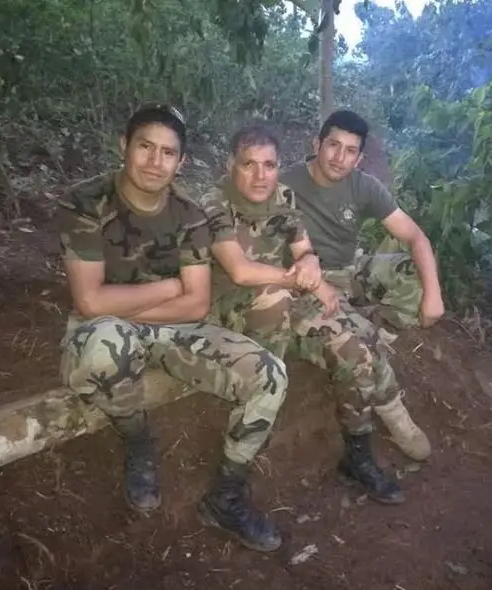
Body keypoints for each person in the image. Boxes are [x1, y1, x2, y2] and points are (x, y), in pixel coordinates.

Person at [54, 103, 287, 553]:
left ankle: (226, 496)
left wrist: (115, 307)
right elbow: (88, 300)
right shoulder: (87, 201)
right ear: (124, 146)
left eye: (167, 153)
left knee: (270, 374)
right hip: (104, 329)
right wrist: (166, 287)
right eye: (145, 147)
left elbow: (197, 302)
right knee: (105, 346)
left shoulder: (190, 214)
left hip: (175, 329)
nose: (154, 162)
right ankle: (136, 437)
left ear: (180, 162)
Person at [197, 123, 431, 505]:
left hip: (285, 300)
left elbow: (303, 247)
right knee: (274, 296)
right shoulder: (214, 202)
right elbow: (239, 270)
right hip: (231, 307)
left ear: (278, 166)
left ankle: (357, 452)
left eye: (269, 165)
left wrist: (309, 265)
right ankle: (255, 415)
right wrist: (302, 281)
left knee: (354, 346)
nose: (261, 176)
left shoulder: (284, 196)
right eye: (249, 164)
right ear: (230, 165)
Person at [281, 109, 446, 332]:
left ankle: (374, 319)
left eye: (350, 151)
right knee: (351, 342)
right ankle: (353, 325)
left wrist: (434, 297)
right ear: (317, 145)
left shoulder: (365, 187)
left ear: (358, 159)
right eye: (333, 145)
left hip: (350, 271)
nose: (340, 158)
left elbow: (415, 237)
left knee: (417, 271)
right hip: (308, 280)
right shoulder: (283, 184)